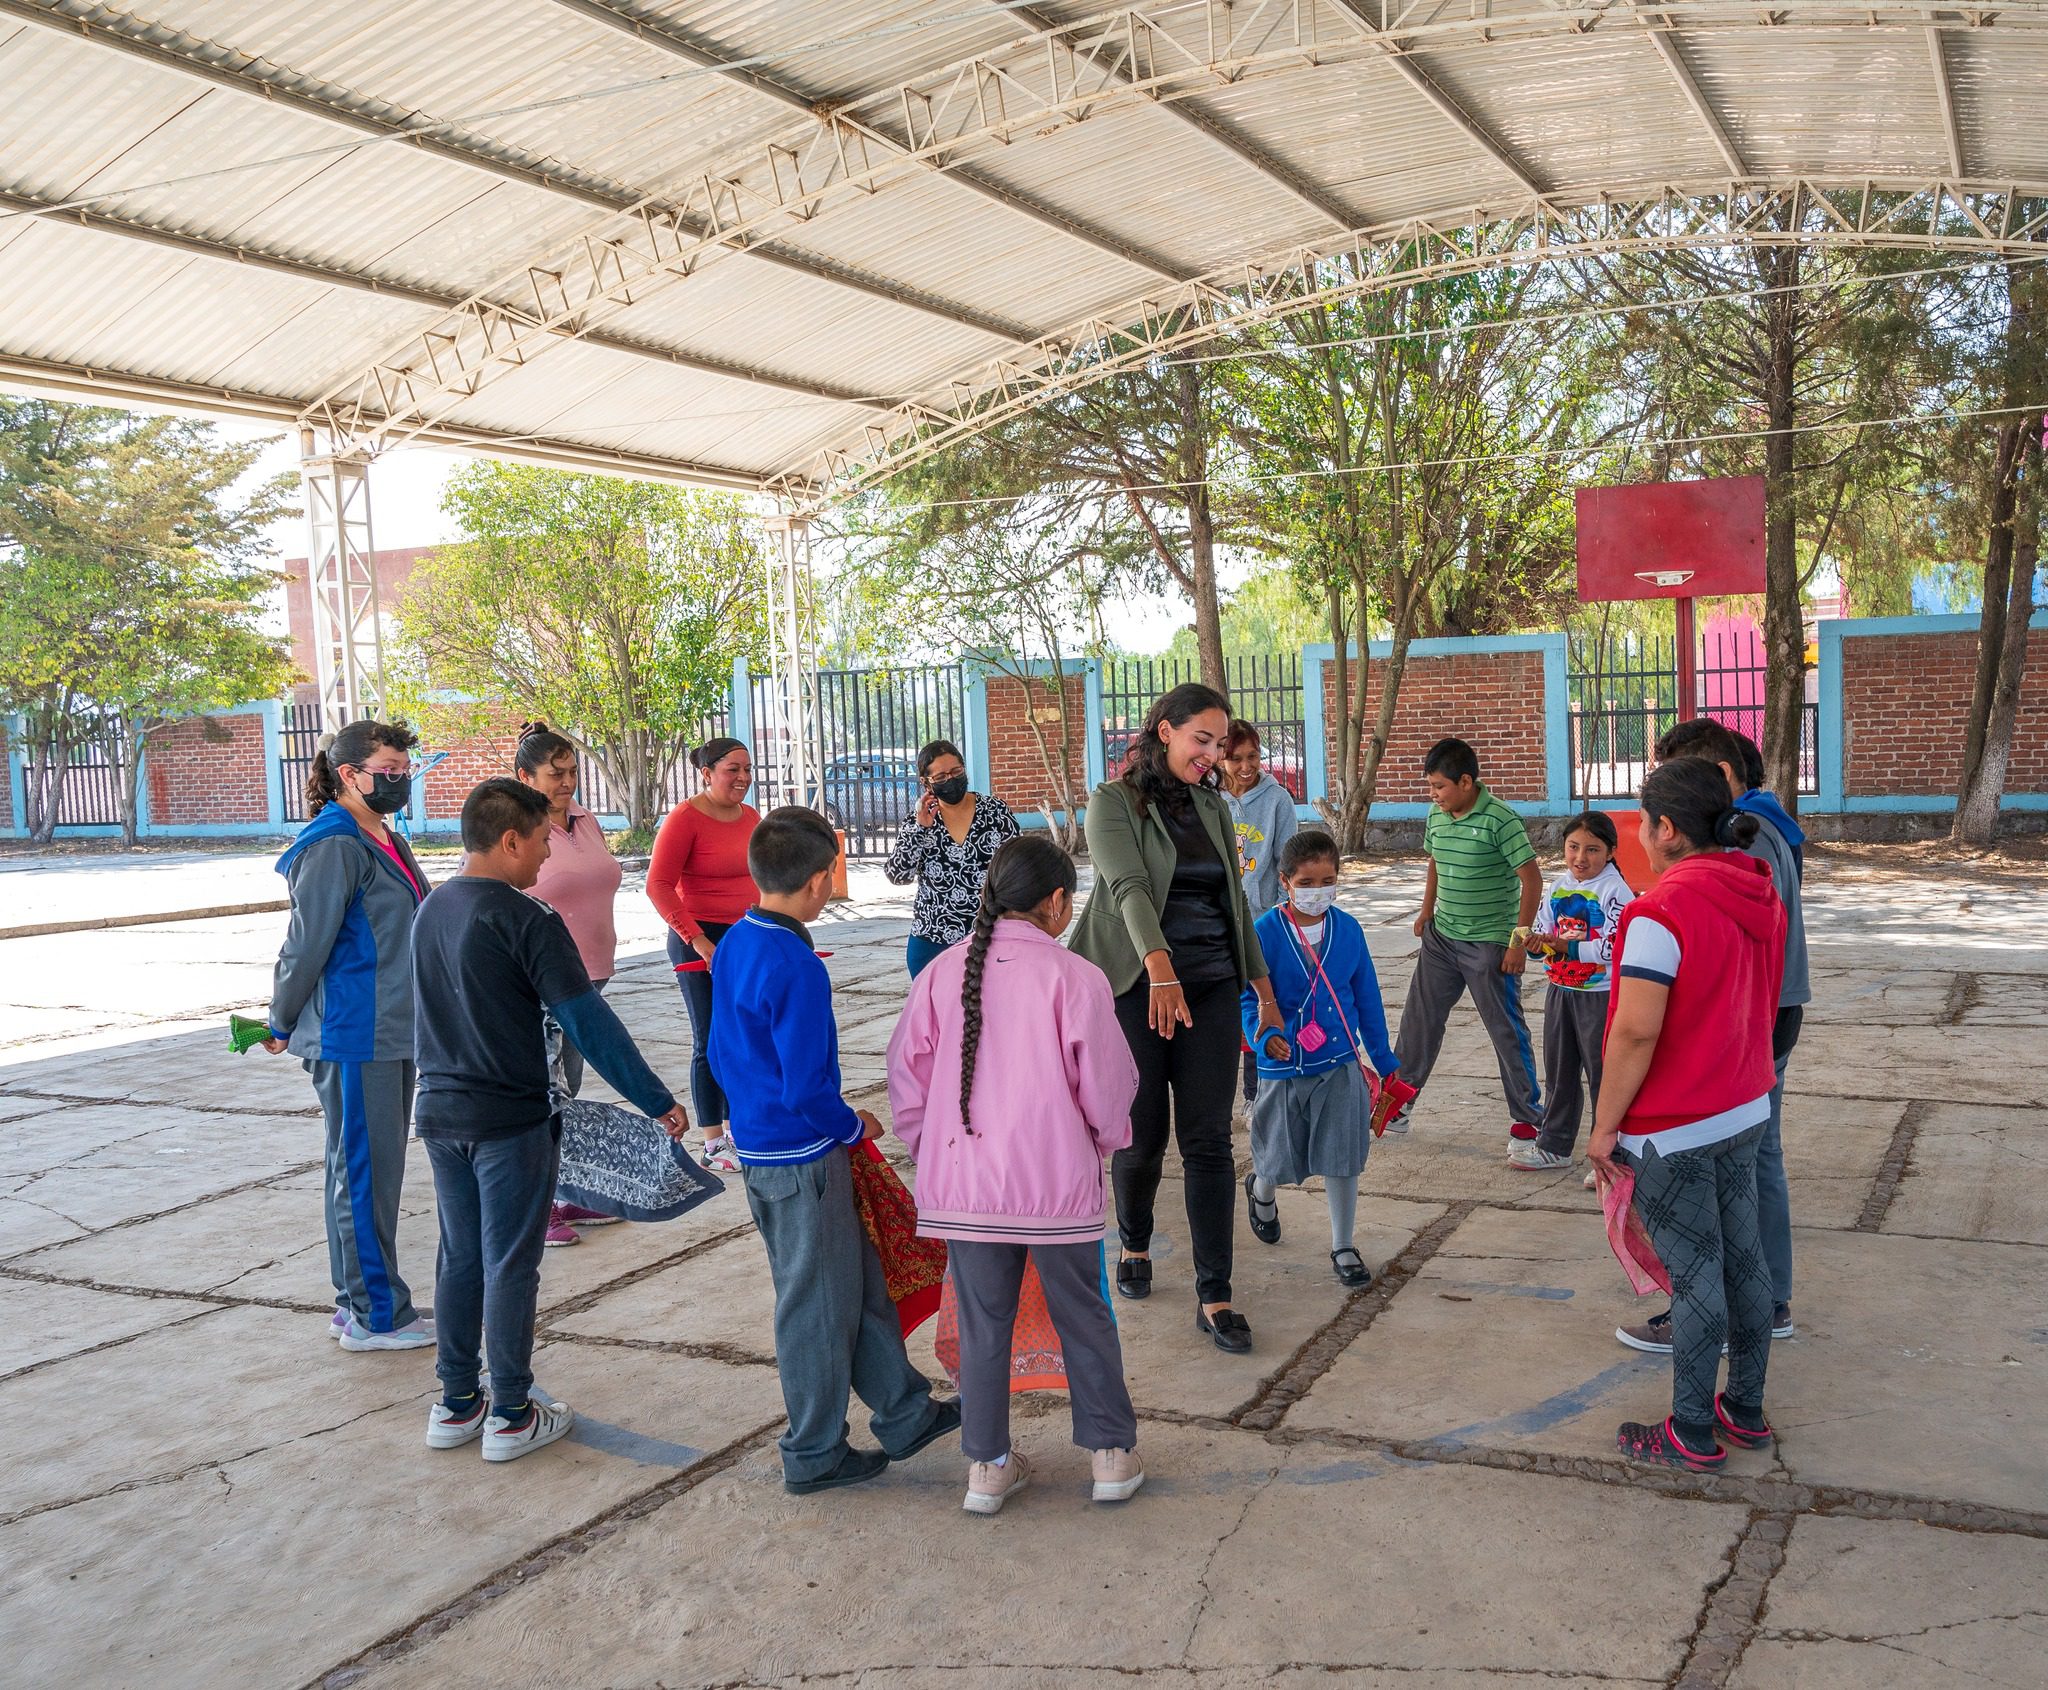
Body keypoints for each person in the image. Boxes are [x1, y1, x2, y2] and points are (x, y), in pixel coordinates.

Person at [412, 779, 689, 1462]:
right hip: (509, 1117)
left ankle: (455, 1403)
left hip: (440, 1113)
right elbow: (587, 1021)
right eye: (541, 840)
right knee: (511, 1261)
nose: (546, 856)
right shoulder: (527, 919)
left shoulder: (432, 908)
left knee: (461, 1253)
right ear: (509, 840)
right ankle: (510, 1411)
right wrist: (657, 1099)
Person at [886, 835, 1144, 1515]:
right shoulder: (1075, 977)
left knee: (982, 1322)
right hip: (1056, 1187)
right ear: (1058, 901)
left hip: (964, 1190)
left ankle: (987, 1467)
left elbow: (906, 1085)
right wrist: (1106, 1141)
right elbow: (1110, 1089)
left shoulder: (941, 972)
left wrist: (936, 1154)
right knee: (1084, 1316)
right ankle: (1110, 1456)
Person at [708, 806, 961, 1494]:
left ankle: (905, 1414)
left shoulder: (736, 939)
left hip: (767, 1146)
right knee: (816, 1309)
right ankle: (814, 1451)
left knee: (858, 1289)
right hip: (803, 1156)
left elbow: (718, 1052)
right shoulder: (795, 963)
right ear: (821, 881)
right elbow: (806, 1085)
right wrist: (854, 1127)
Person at [1069, 683, 1284, 1355]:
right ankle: (1133, 1241)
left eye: (1221, 745)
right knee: (1140, 1138)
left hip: (1212, 985)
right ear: (1165, 731)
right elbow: (1128, 887)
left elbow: (1236, 902)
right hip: (1136, 985)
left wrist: (1264, 991)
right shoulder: (1111, 803)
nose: (1213, 756)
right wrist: (1160, 972)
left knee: (1209, 1141)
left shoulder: (1211, 805)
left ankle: (1214, 1293)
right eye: (1203, 741)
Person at [1587, 759, 1785, 1472]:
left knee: (1698, 1275)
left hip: (1676, 1123)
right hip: (1744, 1103)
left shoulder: (1658, 913)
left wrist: (1604, 1127)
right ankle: (1747, 1410)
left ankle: (1692, 1430)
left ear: (1666, 829)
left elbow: (1635, 1033)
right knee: (1744, 1262)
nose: (1637, 832)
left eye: (1642, 821)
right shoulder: (1756, 891)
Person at [1618, 718, 1808, 1350]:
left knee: (1730, 1195)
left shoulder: (1729, 860)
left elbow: (1642, 1027)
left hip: (1745, 1031)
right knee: (1752, 1166)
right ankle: (1756, 1329)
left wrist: (1606, 1126)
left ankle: (1715, 1354)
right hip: (1759, 1023)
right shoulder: (1762, 834)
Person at [262, 719, 431, 1352]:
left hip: (392, 1027)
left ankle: (359, 1299)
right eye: (388, 769)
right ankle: (374, 1313)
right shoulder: (333, 844)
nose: (399, 779)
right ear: (350, 774)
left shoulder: (382, 836)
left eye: (404, 769)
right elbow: (305, 947)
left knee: (368, 1170)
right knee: (364, 1172)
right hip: (355, 1033)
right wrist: (281, 1020)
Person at [1240, 831, 1398, 1288]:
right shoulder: (1263, 934)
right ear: (1285, 881)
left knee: (1341, 1155)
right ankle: (1262, 1191)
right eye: (1307, 881)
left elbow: (1366, 998)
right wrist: (1263, 1034)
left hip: (1340, 1062)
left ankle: (1343, 1244)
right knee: (1275, 1156)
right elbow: (1248, 1000)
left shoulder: (1348, 930)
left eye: (1328, 880)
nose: (1319, 890)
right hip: (1282, 1067)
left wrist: (1385, 1061)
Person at [1390, 737, 1544, 1140]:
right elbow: (1435, 861)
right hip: (1443, 937)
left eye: (1439, 786)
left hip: (1490, 942)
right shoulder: (1436, 815)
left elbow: (1531, 880)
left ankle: (1528, 1118)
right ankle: (1400, 1103)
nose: (1433, 795)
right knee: (1418, 1022)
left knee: (1505, 1029)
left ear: (1465, 781)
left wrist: (1517, 942)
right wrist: (1426, 911)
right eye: (1430, 787)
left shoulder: (1501, 819)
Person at [513, 721, 627, 1247]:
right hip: (543, 979)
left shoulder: (585, 819)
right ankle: (536, 1207)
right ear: (524, 776)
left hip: (591, 974)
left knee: (570, 1088)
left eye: (572, 771)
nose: (567, 782)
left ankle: (563, 1192)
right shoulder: (517, 826)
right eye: (554, 774)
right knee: (544, 1090)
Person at [647, 737, 758, 1173]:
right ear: (707, 772)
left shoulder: (750, 817)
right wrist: (697, 940)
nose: (744, 778)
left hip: (743, 935)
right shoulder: (684, 818)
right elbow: (657, 885)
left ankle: (736, 1130)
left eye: (748, 769)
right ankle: (712, 1142)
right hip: (699, 937)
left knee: (742, 1035)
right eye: (734, 769)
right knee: (709, 1037)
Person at [1509, 810, 1635, 1173]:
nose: (1580, 858)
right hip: (1560, 991)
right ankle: (1555, 1146)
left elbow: (1615, 946)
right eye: (1573, 847)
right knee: (1560, 1071)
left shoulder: (1616, 891)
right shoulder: (1558, 885)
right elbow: (1546, 930)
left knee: (1604, 1075)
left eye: (1592, 850)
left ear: (1611, 852)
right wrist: (1535, 943)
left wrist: (1563, 947)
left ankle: (1610, 1156)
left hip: (1601, 995)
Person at [883, 738, 1018, 979]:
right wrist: (920, 829)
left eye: (956, 772)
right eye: (941, 777)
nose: (951, 780)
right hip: (933, 939)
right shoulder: (917, 822)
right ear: (926, 783)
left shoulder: (995, 811)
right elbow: (898, 875)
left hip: (992, 936)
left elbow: (1019, 865)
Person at [1221, 719, 1299, 1103]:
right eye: (1235, 758)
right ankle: (1220, 1098)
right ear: (1221, 758)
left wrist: (1284, 914)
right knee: (1223, 1013)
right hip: (1217, 925)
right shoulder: (1210, 800)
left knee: (1260, 1005)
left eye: (1252, 756)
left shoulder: (1277, 800)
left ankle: (1257, 1097)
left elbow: (1288, 861)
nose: (1246, 766)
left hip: (1261, 923)